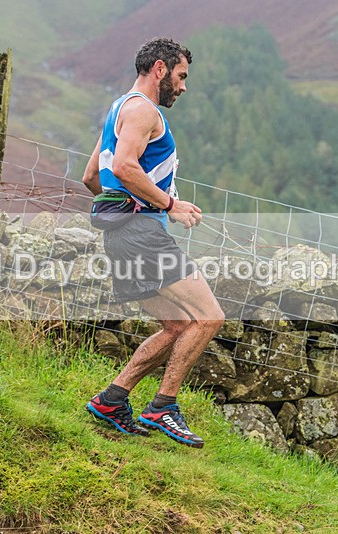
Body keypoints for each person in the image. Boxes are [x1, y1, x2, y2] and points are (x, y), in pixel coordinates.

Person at [82, 37, 225, 448]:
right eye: (181, 77)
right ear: (160, 69)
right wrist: (169, 204)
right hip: (143, 235)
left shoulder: (119, 109)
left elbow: (94, 176)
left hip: (122, 235)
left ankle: (112, 400)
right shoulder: (144, 111)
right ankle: (163, 406)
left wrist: (121, 209)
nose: (183, 87)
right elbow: (125, 166)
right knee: (209, 318)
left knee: (176, 325)